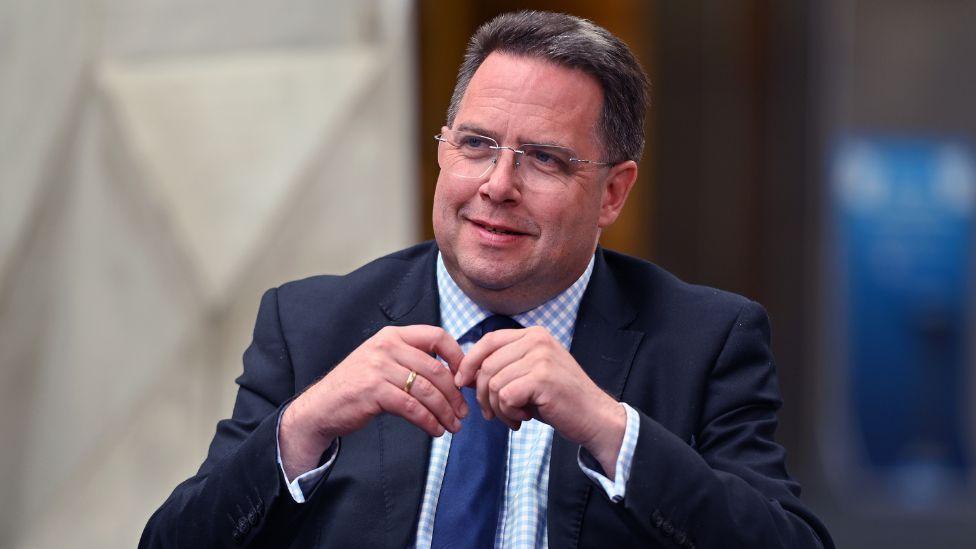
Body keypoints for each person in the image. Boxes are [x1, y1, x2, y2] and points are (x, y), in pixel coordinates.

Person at [141, 10, 833, 549]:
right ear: (442, 152)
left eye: (544, 160)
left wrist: (607, 425)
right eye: (476, 145)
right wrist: (302, 428)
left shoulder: (704, 340)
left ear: (614, 193)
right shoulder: (312, 323)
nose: (498, 186)